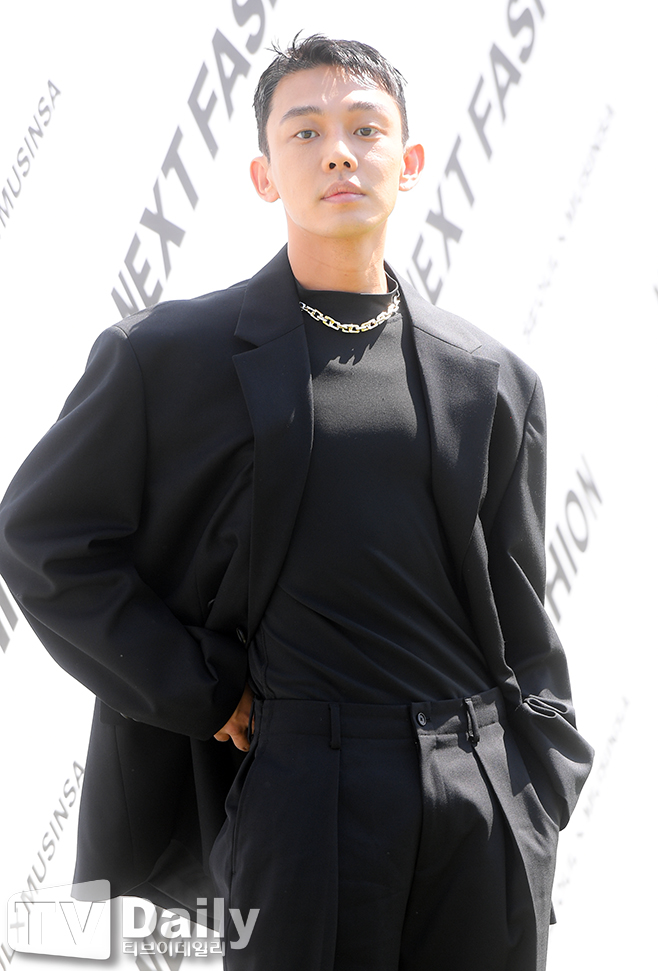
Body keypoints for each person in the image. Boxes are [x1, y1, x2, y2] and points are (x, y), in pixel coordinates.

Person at [0, 34, 592, 971]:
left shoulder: (492, 378)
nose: (339, 153)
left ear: (409, 161)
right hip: (304, 794)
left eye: (366, 129)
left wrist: (537, 779)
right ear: (264, 174)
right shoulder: (167, 357)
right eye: (306, 132)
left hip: (482, 796)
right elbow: (43, 539)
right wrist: (201, 688)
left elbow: (522, 612)